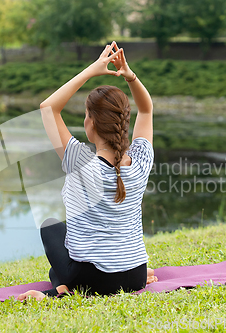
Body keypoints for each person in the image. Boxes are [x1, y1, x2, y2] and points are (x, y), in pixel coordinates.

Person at [18, 41, 157, 302]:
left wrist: (92, 70)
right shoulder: (140, 161)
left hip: (98, 280)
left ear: (91, 122)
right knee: (68, 242)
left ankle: (58, 292)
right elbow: (147, 109)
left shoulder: (80, 162)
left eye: (85, 115)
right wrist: (131, 76)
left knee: (51, 229)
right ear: (123, 122)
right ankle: (62, 285)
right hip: (136, 273)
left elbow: (48, 108)